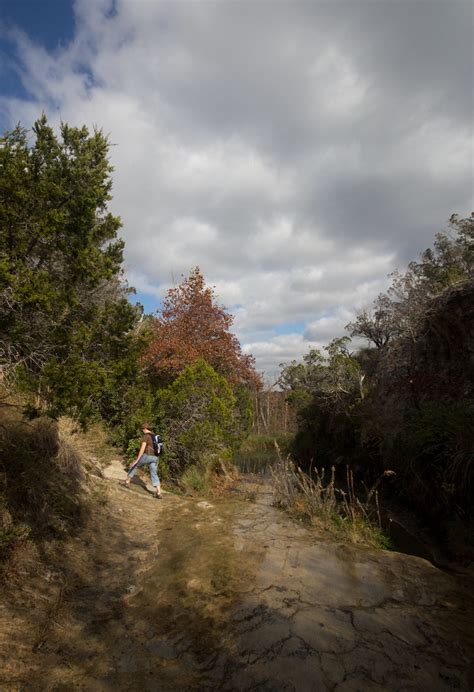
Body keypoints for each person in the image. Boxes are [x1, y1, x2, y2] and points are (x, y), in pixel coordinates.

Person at [123, 423, 162, 498]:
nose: (142, 431)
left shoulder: (146, 436)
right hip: (156, 457)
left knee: (135, 465)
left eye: (142, 429)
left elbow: (142, 449)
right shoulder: (155, 436)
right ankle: (159, 492)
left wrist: (137, 460)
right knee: (154, 473)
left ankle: (127, 482)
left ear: (144, 429)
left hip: (148, 456)